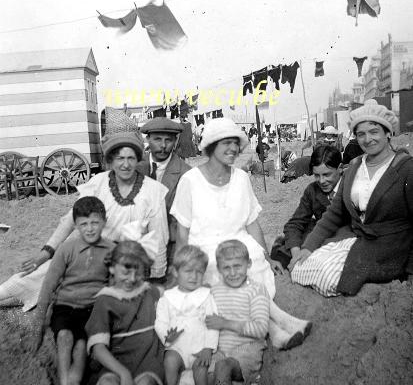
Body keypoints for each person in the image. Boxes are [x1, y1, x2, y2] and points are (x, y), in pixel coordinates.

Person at [171, 117, 311, 349]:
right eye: (226, 142)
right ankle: (280, 323)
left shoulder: (242, 178)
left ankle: (274, 330)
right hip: (205, 251)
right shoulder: (190, 181)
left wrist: (267, 256)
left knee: (253, 263)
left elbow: (252, 223)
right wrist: (183, 268)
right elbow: (182, 231)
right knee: (227, 270)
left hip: (240, 244)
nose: (233, 148)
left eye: (235, 143)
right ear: (210, 146)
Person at [0, 130, 168, 311]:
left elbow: (159, 236)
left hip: (128, 261)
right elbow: (70, 219)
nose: (125, 165)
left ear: (138, 160)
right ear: (110, 161)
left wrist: (157, 279)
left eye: (131, 158)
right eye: (120, 158)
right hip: (91, 248)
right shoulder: (98, 183)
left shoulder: (153, 190)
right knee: (35, 275)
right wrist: (45, 254)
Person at [290, 99, 413, 297]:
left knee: (327, 278)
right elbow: (334, 213)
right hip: (358, 239)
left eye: (374, 132)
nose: (367, 139)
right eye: (361, 134)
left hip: (390, 247)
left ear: (388, 133)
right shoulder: (355, 167)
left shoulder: (406, 168)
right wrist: (308, 247)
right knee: (300, 267)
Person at [30, 196, 114, 385]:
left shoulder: (111, 249)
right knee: (65, 337)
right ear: (76, 226)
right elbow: (49, 284)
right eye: (83, 224)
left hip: (92, 309)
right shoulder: (67, 248)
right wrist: (39, 321)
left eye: (95, 223)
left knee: (81, 346)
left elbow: (114, 286)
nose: (89, 229)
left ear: (104, 222)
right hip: (65, 305)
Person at [85, 241, 163, 385]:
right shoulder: (105, 300)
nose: (132, 278)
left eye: (138, 271)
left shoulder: (150, 292)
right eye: (126, 272)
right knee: (107, 384)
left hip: (148, 359)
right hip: (117, 361)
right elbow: (98, 348)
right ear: (112, 268)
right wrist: (123, 373)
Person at [198, 240, 270, 385]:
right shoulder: (215, 291)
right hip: (221, 349)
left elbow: (261, 328)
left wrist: (226, 323)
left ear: (249, 265)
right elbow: (207, 322)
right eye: (226, 268)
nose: (232, 273)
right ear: (219, 270)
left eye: (237, 266)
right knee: (205, 371)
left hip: (246, 351)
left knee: (223, 366)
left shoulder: (256, 290)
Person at [154, 245, 219, 385]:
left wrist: (208, 348)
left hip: (199, 347)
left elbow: (213, 323)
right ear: (176, 272)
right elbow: (160, 322)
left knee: (201, 370)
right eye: (188, 271)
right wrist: (167, 337)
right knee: (170, 360)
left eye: (199, 272)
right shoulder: (167, 297)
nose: (194, 276)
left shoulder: (206, 295)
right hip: (178, 347)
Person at [271, 145, 343, 270]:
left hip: (342, 240)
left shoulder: (350, 186)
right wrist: (296, 254)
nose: (321, 181)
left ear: (340, 169)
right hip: (318, 238)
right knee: (281, 257)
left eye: (327, 175)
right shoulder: (313, 190)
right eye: (316, 175)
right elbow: (295, 223)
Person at [138, 117, 191, 268]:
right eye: (157, 139)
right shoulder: (133, 166)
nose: (163, 146)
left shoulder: (186, 173)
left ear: (175, 141)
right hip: (137, 244)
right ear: (147, 139)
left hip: (171, 245)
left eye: (168, 140)